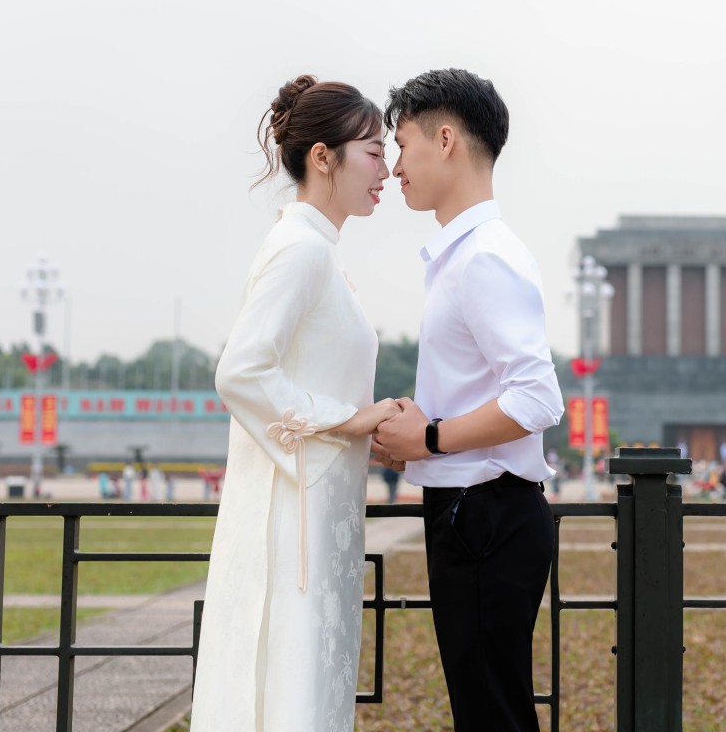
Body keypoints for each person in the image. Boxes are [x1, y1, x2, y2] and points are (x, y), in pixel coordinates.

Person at [190, 75, 399, 732]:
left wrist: (360, 432)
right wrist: (349, 419)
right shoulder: (302, 250)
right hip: (293, 517)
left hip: (316, 506)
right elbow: (241, 370)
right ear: (323, 157)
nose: (386, 170)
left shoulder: (317, 251)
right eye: (374, 152)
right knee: (293, 687)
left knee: (307, 685)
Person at [371, 69, 563, 732]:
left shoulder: (482, 257)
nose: (396, 167)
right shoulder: (467, 254)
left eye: (403, 145)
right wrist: (416, 435)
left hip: (484, 515)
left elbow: (537, 397)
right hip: (478, 512)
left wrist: (428, 439)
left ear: (446, 140)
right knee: (489, 712)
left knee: (492, 716)